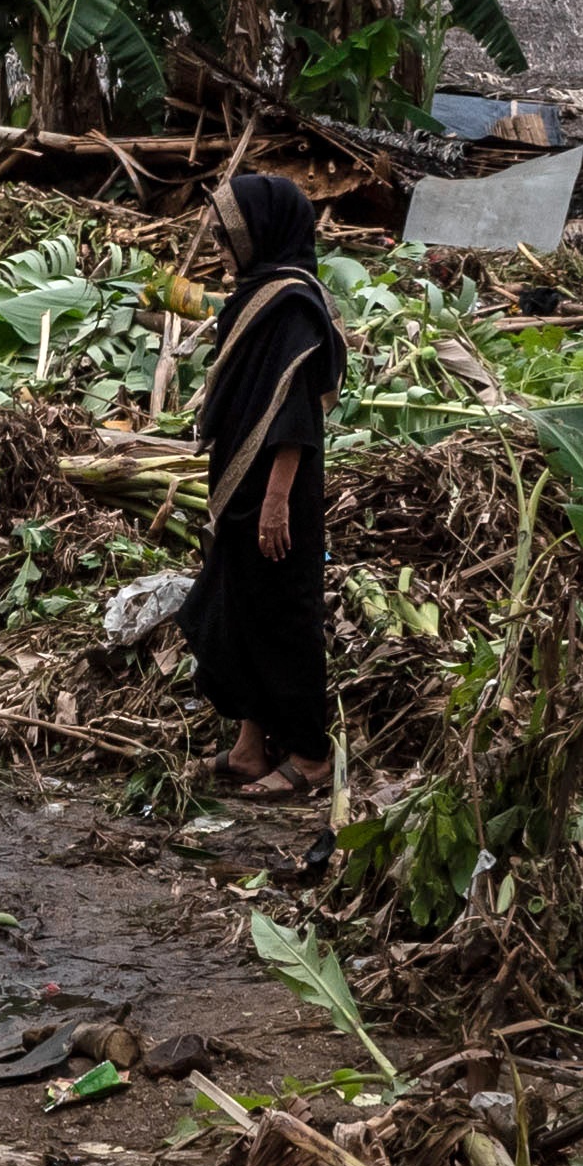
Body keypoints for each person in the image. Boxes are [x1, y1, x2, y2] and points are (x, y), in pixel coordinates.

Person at [176, 172, 341, 799]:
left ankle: (308, 754)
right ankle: (250, 747)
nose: (220, 246)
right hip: (243, 485)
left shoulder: (293, 304)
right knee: (236, 604)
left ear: (263, 231)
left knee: (282, 616)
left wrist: (275, 499)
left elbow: (296, 411)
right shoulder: (256, 295)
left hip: (280, 490)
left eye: (229, 234)